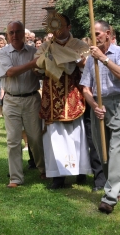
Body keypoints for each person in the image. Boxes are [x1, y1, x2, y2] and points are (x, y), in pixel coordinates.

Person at [80, 20, 120, 214]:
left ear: (108, 33)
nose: (95, 38)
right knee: (103, 152)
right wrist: (93, 105)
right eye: (92, 34)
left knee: (116, 150)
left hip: (119, 104)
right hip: (98, 106)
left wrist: (103, 58)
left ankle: (109, 197)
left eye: (98, 34)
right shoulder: (90, 58)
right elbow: (85, 87)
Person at [35, 13, 91, 189]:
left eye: (61, 26)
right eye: (54, 27)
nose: (57, 30)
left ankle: (80, 171)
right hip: (52, 96)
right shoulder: (46, 46)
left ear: (69, 27)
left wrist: (72, 58)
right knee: (54, 137)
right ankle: (57, 176)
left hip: (72, 95)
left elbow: (86, 63)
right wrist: (44, 64)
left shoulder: (79, 45)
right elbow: (37, 64)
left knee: (76, 135)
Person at [0, 21, 46, 187]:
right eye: (11, 32)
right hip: (11, 100)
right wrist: (32, 64)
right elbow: (10, 72)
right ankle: (16, 178)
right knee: (13, 140)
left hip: (31, 98)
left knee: (35, 138)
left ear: (24, 35)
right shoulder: (3, 53)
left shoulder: (34, 51)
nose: (15, 35)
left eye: (18, 32)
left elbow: (42, 73)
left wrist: (39, 67)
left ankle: (43, 169)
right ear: (7, 35)